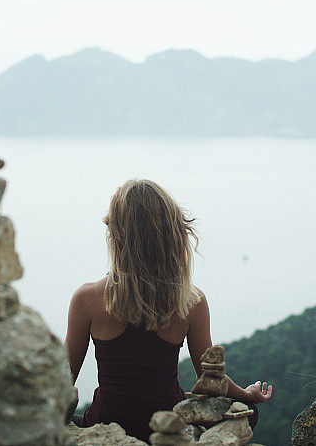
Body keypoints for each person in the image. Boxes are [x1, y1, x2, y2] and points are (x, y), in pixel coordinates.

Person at [65, 179, 273, 442]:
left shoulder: (87, 299)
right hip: (168, 427)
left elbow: (63, 379)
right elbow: (210, 379)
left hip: (106, 425)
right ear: (172, 235)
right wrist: (246, 394)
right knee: (248, 413)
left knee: (66, 423)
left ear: (116, 235)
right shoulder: (191, 301)